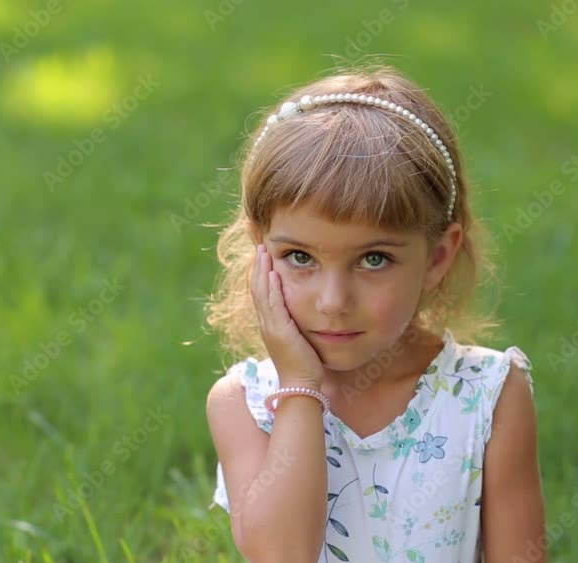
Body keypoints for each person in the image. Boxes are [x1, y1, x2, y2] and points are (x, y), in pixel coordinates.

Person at [204, 65, 546, 562]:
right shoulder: (246, 403)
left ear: (436, 258)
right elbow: (281, 554)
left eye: (373, 259)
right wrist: (300, 385)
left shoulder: (487, 396)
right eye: (300, 257)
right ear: (261, 251)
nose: (333, 300)